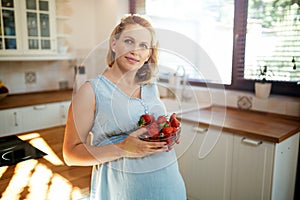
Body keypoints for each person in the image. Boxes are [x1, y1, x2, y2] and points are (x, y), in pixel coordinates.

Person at [63, 15, 186, 200]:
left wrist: (168, 134)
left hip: (169, 187)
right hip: (124, 192)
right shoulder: (91, 91)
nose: (135, 51)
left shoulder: (151, 87)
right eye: (129, 41)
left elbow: (154, 131)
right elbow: (70, 154)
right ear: (114, 44)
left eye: (143, 46)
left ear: (148, 55)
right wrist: (122, 148)